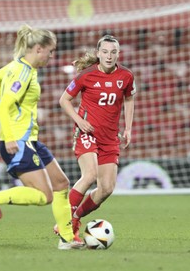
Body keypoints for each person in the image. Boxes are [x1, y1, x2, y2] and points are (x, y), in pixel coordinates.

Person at [0, 24, 84, 250]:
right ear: (38, 48)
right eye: (50, 51)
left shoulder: (17, 68)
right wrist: (9, 137)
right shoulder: (23, 72)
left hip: (30, 140)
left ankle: (68, 239)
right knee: (44, 195)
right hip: (18, 141)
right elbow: (4, 105)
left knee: (61, 183)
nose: (52, 56)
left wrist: (13, 106)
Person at [58, 34, 136, 239]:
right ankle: (66, 223)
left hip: (110, 138)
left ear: (118, 54)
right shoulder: (87, 75)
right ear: (98, 53)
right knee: (90, 175)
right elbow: (64, 100)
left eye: (113, 52)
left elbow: (129, 99)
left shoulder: (126, 76)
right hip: (87, 133)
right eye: (105, 52)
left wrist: (128, 128)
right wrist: (79, 120)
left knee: (106, 189)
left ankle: (76, 217)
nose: (109, 56)